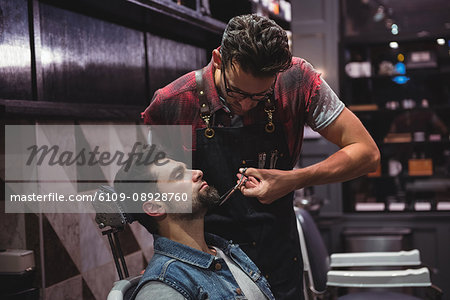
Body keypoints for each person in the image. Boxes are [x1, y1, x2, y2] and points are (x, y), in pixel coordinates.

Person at [142, 14, 380, 299]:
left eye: (259, 97)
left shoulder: (296, 80)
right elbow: (157, 192)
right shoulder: (172, 104)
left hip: (278, 257)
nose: (244, 105)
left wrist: (293, 180)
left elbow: (367, 154)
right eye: (236, 92)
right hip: (211, 270)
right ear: (218, 59)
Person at [114, 153, 276, 300]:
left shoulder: (223, 251)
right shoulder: (164, 288)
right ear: (155, 208)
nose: (198, 172)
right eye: (178, 175)